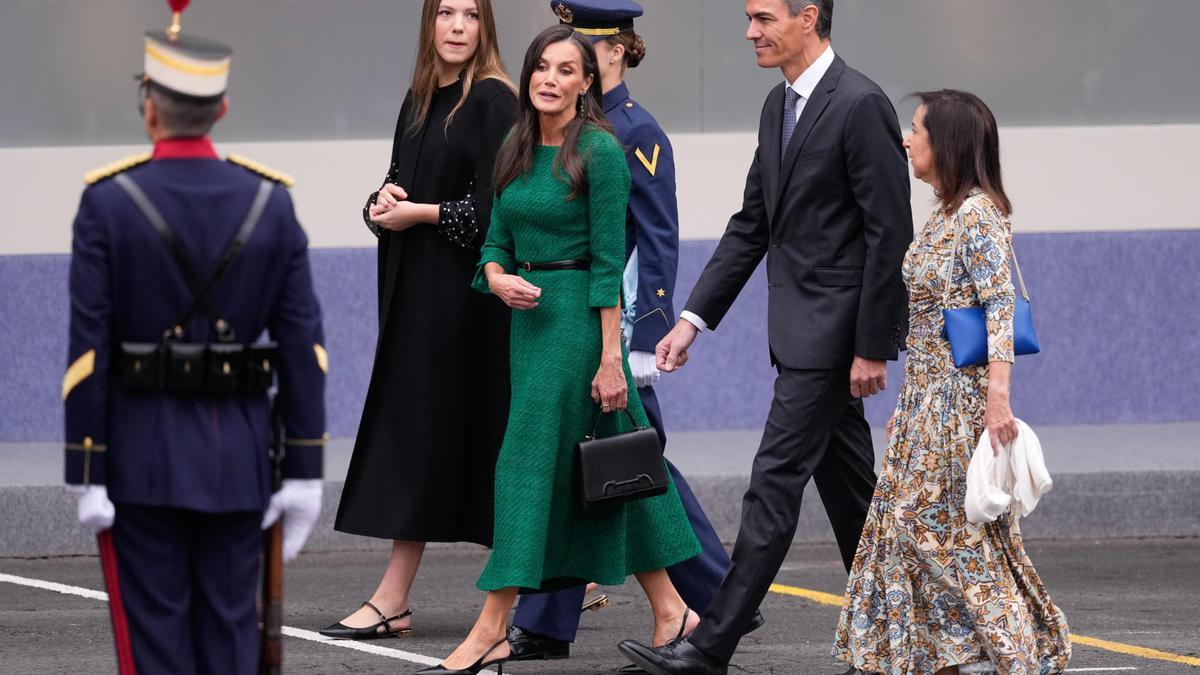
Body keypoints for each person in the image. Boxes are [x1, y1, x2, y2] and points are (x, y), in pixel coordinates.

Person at [618, 1, 913, 673]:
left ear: (809, 16)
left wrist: (872, 344)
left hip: (832, 340)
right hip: (800, 336)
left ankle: (710, 644)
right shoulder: (778, 107)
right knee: (857, 498)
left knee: (772, 485)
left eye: (763, 17)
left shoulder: (861, 104)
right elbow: (753, 224)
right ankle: (912, 624)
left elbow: (888, 233)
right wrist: (690, 320)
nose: (750, 31)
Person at [415, 25, 702, 675]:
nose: (549, 78)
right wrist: (494, 275)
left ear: (586, 83)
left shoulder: (599, 150)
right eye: (541, 67)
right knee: (605, 472)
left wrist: (610, 358)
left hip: (577, 325)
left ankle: (492, 623)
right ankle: (673, 609)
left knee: (523, 467)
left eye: (565, 70)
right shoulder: (515, 145)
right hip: (529, 326)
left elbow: (607, 263)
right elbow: (494, 241)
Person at [63, 6, 326, 672]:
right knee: (234, 638)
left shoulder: (108, 202)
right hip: (238, 460)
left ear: (149, 108)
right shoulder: (272, 203)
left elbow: (87, 349)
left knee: (156, 646)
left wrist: (85, 468)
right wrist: (303, 468)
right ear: (223, 108)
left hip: (138, 463)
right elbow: (304, 347)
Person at [505, 1, 753, 666]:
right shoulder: (563, 127)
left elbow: (656, 240)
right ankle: (706, 595)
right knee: (612, 462)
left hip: (615, 329)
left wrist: (643, 337)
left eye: (582, 52)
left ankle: (716, 597)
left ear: (613, 52)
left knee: (631, 463)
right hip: (569, 323)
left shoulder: (634, 133)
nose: (567, 67)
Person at [833, 90, 1071, 675]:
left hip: (962, 404)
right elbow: (929, 322)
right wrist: (911, 401)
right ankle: (949, 653)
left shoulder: (979, 216)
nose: (907, 139)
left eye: (917, 129)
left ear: (949, 143)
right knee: (916, 525)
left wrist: (998, 400)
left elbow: (1000, 310)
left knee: (945, 528)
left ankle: (1012, 649)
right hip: (924, 403)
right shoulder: (942, 213)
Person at [322, 0, 516, 640]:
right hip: (416, 306)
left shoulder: (493, 101)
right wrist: (380, 202)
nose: (457, 26)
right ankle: (395, 597)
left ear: (484, 26)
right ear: (429, 23)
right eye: (445, 13)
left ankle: (537, 604)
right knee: (419, 445)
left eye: (469, 14)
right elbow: (396, 188)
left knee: (486, 449)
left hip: (471, 312)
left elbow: (498, 214)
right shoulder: (418, 99)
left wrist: (422, 214)